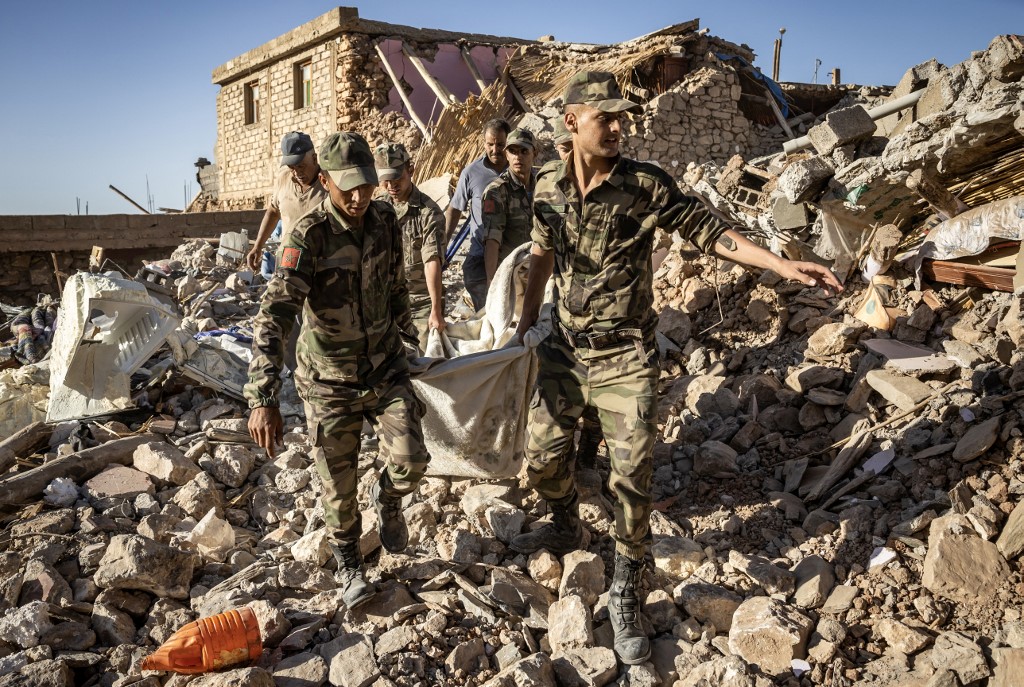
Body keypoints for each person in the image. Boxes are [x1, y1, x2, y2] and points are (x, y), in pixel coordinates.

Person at [509, 71, 843, 666]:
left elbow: (710, 231)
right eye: (605, 117)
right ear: (571, 122)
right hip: (564, 348)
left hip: (625, 355)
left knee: (631, 479)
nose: (618, 126)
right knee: (541, 461)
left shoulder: (645, 184)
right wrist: (525, 322)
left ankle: (627, 584)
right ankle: (563, 523)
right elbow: (541, 253)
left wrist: (780, 265)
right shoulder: (547, 184)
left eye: (622, 117)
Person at [245, 132, 431, 610]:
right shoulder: (308, 236)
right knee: (338, 488)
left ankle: (387, 498)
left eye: (366, 184)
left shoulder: (385, 220)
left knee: (412, 460)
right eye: (348, 186)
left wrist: (412, 339)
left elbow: (395, 285)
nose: (359, 196)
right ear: (324, 181)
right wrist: (263, 397)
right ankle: (350, 566)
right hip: (329, 382)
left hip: (384, 368)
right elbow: (274, 316)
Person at [373, 142, 446, 352]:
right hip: (384, 302)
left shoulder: (428, 212)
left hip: (420, 304)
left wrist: (435, 310)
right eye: (386, 180)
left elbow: (431, 261)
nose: (391, 186)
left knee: (423, 361)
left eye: (397, 178)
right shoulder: (377, 208)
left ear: (410, 170)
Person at [445, 118, 511, 311]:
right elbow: (455, 210)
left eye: (500, 144)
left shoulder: (519, 170)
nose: (495, 150)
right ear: (483, 143)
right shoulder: (471, 173)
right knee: (486, 312)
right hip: (480, 255)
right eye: (490, 144)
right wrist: (443, 245)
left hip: (512, 254)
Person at [245, 131, 328, 273]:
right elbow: (273, 211)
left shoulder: (329, 183)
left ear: (314, 159)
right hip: (288, 262)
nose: (296, 173)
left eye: (301, 166)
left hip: (321, 265)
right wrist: (257, 246)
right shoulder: (283, 179)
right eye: (291, 167)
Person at [481, 128, 537, 288]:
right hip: (511, 273)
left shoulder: (543, 186)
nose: (518, 157)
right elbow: (492, 239)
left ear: (535, 153)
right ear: (506, 155)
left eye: (524, 151)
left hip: (540, 269)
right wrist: (492, 282)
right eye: (512, 151)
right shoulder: (497, 191)